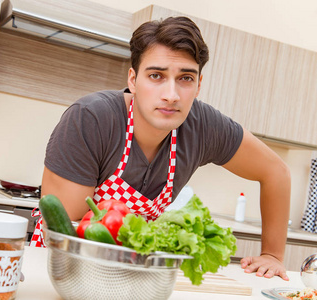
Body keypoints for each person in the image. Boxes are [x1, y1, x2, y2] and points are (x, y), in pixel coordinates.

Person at [30, 16, 291, 281]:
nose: (171, 94)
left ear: (199, 84)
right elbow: (66, 234)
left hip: (131, 276)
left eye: (185, 78)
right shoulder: (91, 119)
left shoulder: (204, 127)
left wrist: (272, 255)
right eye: (156, 75)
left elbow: (276, 172)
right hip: (58, 272)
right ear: (133, 79)